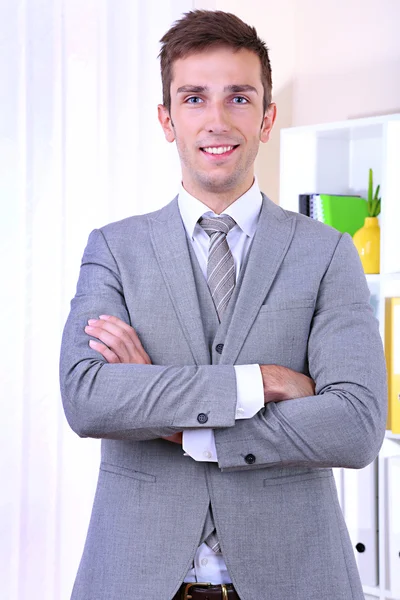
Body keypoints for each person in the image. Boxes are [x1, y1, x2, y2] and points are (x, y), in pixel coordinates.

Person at [60, 9, 387, 600]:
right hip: (133, 580)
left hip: (297, 581)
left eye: (239, 98)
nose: (217, 120)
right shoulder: (113, 248)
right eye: (193, 98)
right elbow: (87, 397)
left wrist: (175, 420)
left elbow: (356, 424)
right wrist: (261, 381)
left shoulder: (328, 253)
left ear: (267, 118)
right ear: (166, 120)